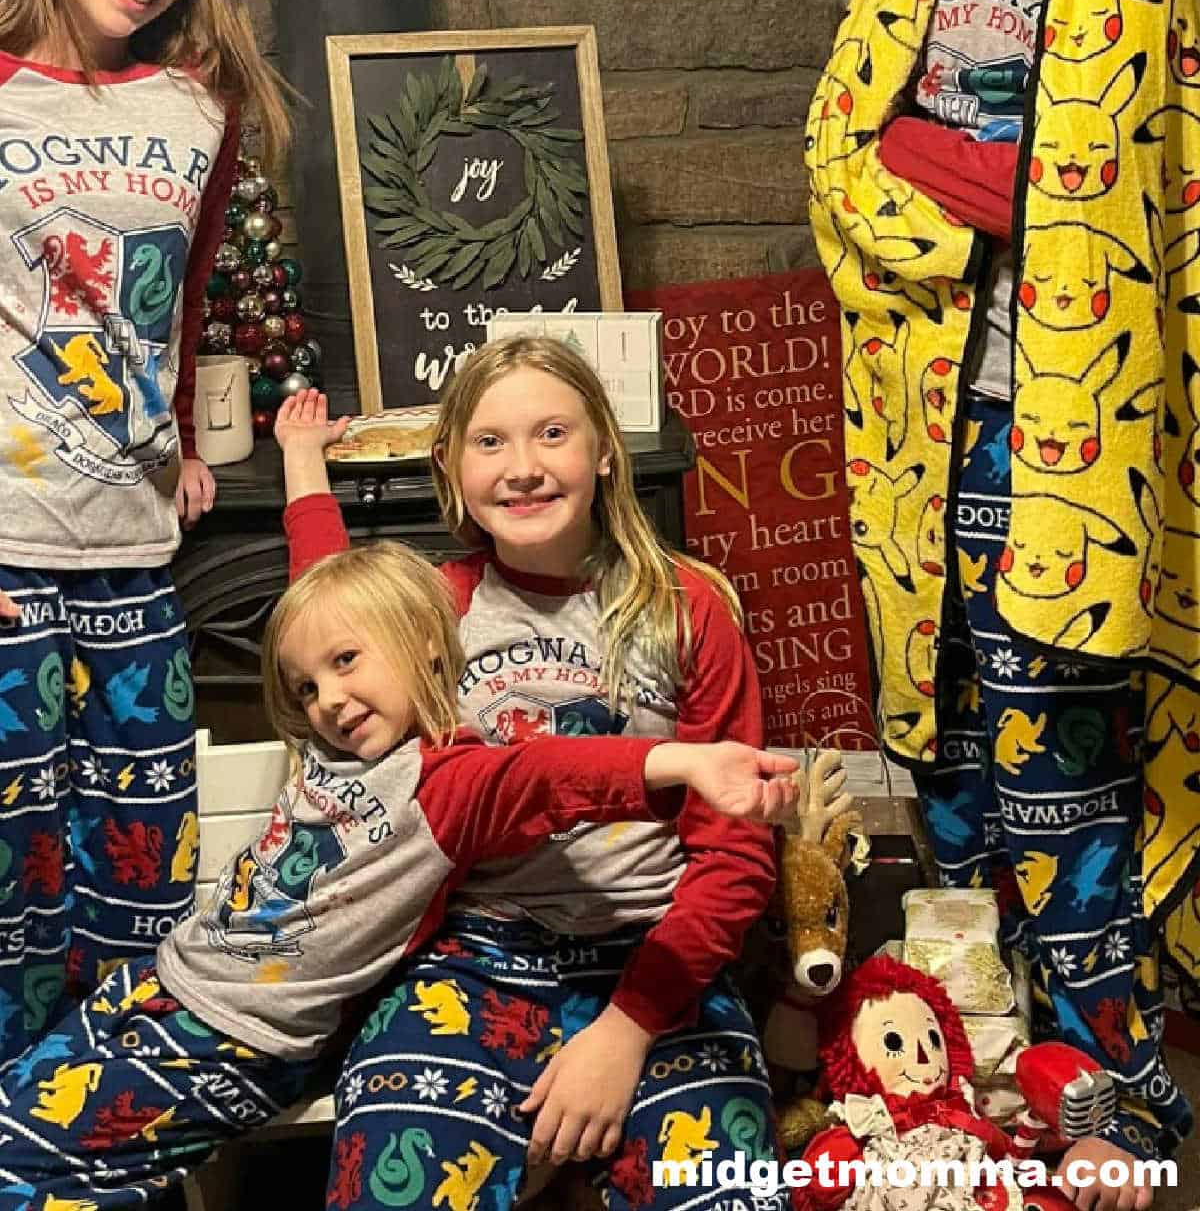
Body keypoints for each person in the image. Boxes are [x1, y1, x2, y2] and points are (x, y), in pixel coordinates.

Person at [805, 0, 1199, 1211]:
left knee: (1066, 776)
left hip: (1078, 445)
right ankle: (976, 1079)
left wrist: (965, 174)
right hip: (921, 435)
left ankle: (1125, 1099)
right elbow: (840, 161)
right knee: (953, 770)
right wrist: (967, 209)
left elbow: (1146, 194)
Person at [0, 463, 798, 1210]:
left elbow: (550, 775)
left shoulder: (445, 782)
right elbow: (324, 593)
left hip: (246, 1034)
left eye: (348, 663)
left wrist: (682, 761)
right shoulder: (333, 742)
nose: (330, 699)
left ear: (421, 642)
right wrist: (303, 459)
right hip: (167, 977)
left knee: (24, 1165)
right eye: (308, 687)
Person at [282, 346, 792, 1211]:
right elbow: (326, 618)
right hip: (474, 956)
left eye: (551, 434)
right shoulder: (434, 607)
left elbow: (736, 858)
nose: (522, 470)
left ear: (602, 450)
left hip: (654, 954)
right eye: (489, 442)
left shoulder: (686, 607)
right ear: (450, 464)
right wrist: (302, 465)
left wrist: (626, 1032)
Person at [0, 0, 290, 1062]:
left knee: (142, 882)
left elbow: (180, 294)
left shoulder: (199, 106)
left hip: (132, 558)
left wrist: (177, 442)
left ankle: (115, 1147)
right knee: (16, 899)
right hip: (6, 551)